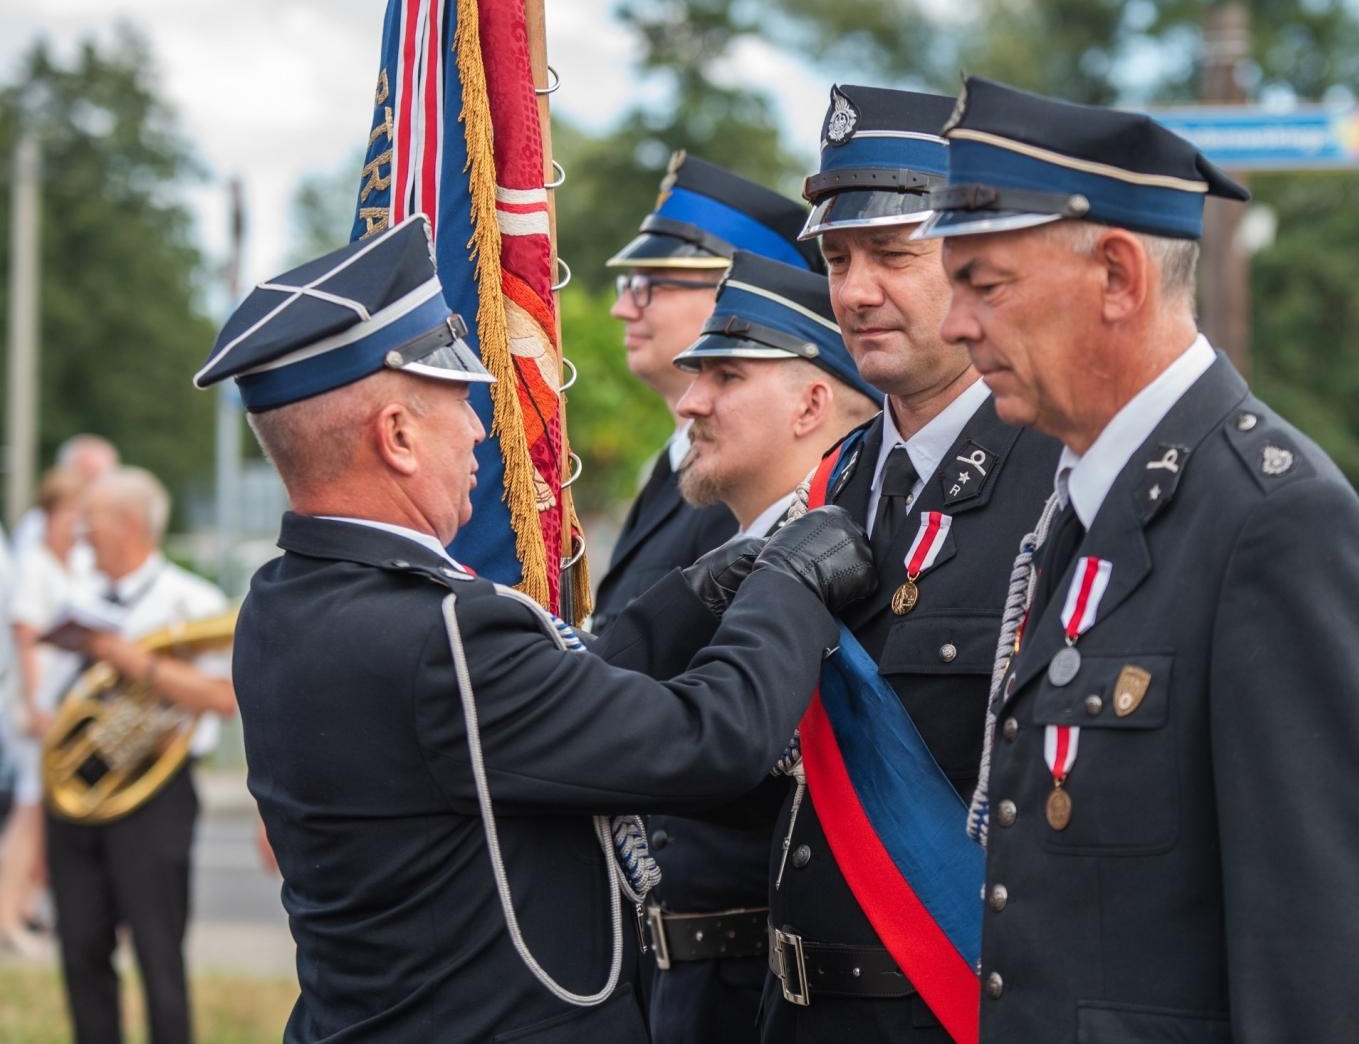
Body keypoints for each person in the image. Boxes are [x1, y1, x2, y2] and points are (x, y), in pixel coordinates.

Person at [192, 216, 875, 1042]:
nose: (482, 428)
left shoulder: (284, 601)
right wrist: (789, 579)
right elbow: (708, 740)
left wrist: (702, 588)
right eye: (458, 402)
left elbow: (553, 696)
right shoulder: (438, 634)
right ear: (398, 436)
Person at [918, 75, 1359, 1041]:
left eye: (983, 284)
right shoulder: (1085, 502)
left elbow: (1335, 976)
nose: (954, 324)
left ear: (1119, 276)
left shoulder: (1274, 525)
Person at [760, 85, 1059, 1044]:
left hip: (954, 1009)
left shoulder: (1059, 484)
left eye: (893, 255)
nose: (852, 291)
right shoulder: (833, 483)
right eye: (839, 258)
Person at [640, 251, 880, 1044]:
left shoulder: (864, 563)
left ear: (813, 402)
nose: (690, 402)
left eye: (727, 377)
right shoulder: (722, 564)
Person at [43, 465, 236, 1044]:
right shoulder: (74, 599)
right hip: (74, 798)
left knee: (158, 953)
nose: (82, 534)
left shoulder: (191, 599)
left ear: (130, 525)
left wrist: (127, 660)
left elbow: (225, 697)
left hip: (155, 796)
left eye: (92, 521)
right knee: (79, 950)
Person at [593, 154, 822, 633]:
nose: (621, 308)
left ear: (732, 294)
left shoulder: (745, 472)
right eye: (627, 284)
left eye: (647, 285)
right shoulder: (674, 463)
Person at [0, 468, 86, 957]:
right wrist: (36, 704)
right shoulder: (35, 566)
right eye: (73, 514)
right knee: (30, 816)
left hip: (61, 707)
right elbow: (26, 637)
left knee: (40, 817)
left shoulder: (68, 564)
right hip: (38, 710)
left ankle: (22, 909)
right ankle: (7, 918)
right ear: (53, 514)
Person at [9, 434, 119, 576]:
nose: (95, 485)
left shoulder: (114, 523)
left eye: (103, 476)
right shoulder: (36, 525)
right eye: (88, 475)